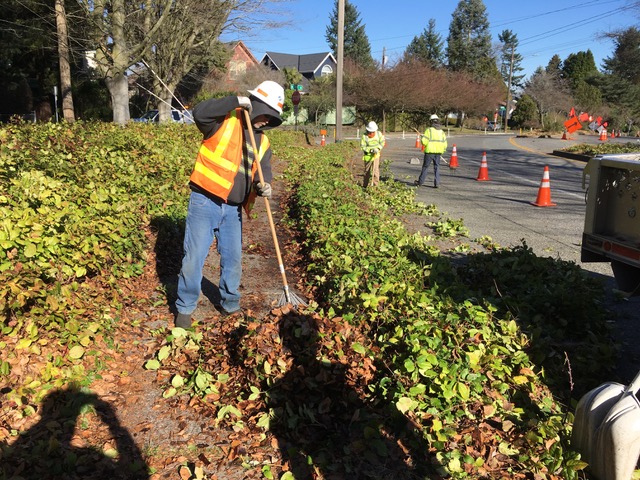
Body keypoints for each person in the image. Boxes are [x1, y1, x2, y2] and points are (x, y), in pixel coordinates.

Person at [174, 81, 285, 329]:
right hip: (205, 200)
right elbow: (199, 112)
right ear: (256, 106)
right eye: (267, 115)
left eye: (272, 118)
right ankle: (185, 308)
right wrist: (235, 101)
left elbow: (263, 173)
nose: (267, 121)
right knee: (194, 256)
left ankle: (230, 304)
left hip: (233, 209)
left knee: (233, 258)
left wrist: (264, 186)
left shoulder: (263, 143)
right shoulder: (223, 121)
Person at [415, 114, 447, 188]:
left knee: (425, 167)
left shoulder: (429, 130)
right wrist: (442, 150)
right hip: (438, 152)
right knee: (437, 167)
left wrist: (422, 138)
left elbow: (424, 142)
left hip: (429, 152)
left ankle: (420, 182)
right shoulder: (441, 132)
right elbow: (445, 143)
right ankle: (437, 183)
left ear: (431, 121)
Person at [360, 121, 385, 187]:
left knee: (375, 171)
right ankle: (365, 186)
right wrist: (370, 150)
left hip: (376, 156)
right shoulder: (364, 136)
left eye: (373, 132)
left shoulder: (379, 134)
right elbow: (363, 147)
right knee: (367, 171)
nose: (371, 134)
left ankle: (375, 186)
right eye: (370, 132)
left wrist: (378, 149)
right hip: (368, 157)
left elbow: (382, 142)